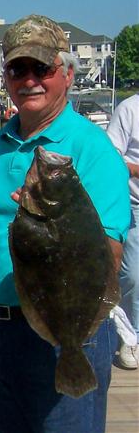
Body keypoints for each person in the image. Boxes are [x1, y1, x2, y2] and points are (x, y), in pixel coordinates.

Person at [0, 14, 130, 433]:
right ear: (5, 76)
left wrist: (47, 230)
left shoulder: (93, 150)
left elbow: (110, 256)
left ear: (67, 74)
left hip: (70, 335)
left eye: (42, 68)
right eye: (17, 69)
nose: (30, 80)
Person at [108, 93, 139, 370]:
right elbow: (111, 158)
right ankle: (130, 337)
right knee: (132, 275)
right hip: (133, 205)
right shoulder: (129, 109)